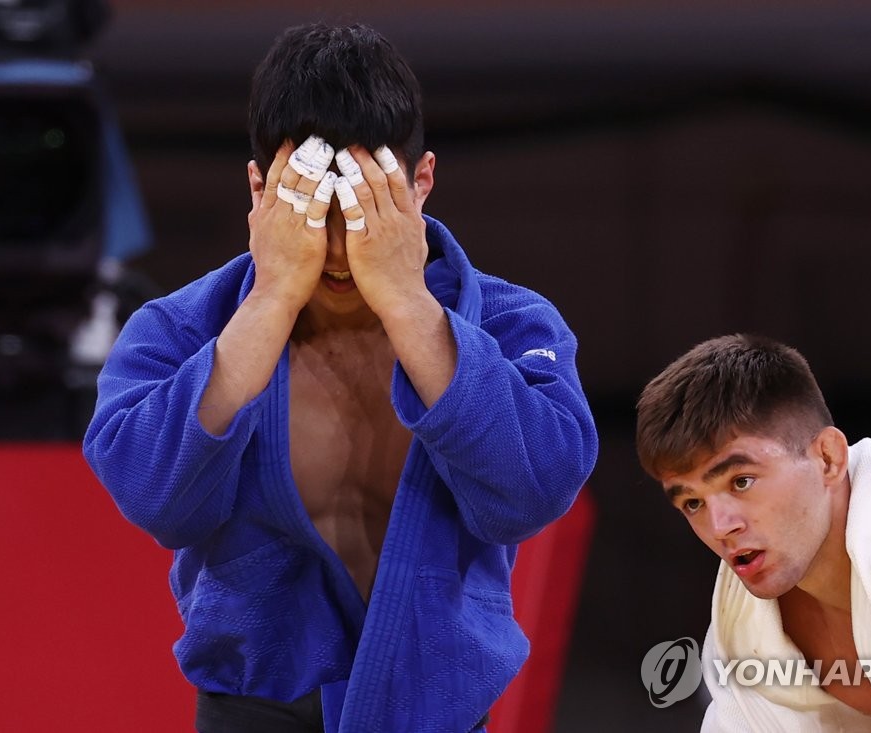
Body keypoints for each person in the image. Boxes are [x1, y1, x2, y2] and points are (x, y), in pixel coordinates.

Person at [83, 22, 598, 733]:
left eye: (361, 213)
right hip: (254, 710)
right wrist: (268, 301)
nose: (334, 250)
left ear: (421, 183)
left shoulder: (512, 323)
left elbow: (534, 492)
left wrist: (408, 303)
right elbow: (153, 499)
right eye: (308, 214)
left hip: (437, 713)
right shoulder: (179, 329)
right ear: (260, 190)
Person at [635, 334, 871, 732]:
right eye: (693, 503)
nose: (721, 526)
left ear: (828, 458)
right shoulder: (743, 621)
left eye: (741, 481)